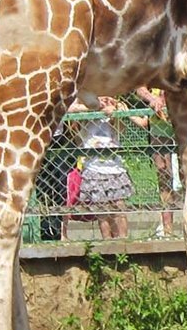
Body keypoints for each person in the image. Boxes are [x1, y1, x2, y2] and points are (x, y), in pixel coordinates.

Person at [66, 96, 134, 239]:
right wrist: (93, 106)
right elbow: (70, 110)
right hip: (93, 168)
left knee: (118, 206)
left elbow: (121, 128)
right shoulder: (84, 113)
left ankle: (123, 241)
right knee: (101, 210)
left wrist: (113, 113)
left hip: (115, 168)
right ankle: (107, 242)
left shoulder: (114, 110)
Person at [135, 86, 180, 236]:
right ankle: (168, 229)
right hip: (159, 131)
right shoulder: (153, 73)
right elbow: (139, 88)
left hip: (182, 124)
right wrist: (153, 99)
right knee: (164, 175)